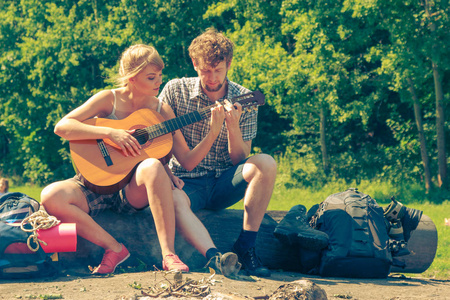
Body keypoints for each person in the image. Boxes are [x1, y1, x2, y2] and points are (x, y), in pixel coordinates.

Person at [41, 44, 224, 275]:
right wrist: (110, 133)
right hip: (95, 182)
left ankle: (169, 254)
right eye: (151, 77)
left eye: (159, 76)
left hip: (130, 192)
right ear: (132, 78)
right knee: (50, 196)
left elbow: (187, 161)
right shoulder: (109, 99)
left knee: (152, 165)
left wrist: (213, 132)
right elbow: (62, 126)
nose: (158, 82)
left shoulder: (161, 110)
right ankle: (114, 248)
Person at [159, 28, 277, 277]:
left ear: (229, 64)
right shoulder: (174, 91)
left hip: (225, 180)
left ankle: (246, 247)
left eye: (218, 70)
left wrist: (232, 127)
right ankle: (213, 258)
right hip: (186, 183)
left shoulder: (244, 98)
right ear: (194, 64)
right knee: (174, 199)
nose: (212, 78)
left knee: (265, 163)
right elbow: (161, 143)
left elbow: (239, 159)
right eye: (205, 70)